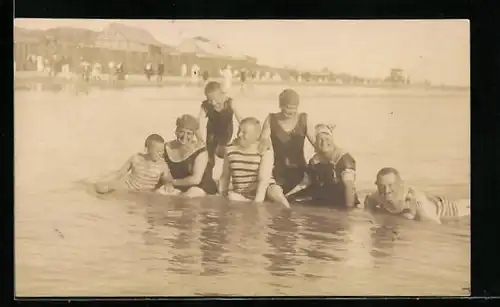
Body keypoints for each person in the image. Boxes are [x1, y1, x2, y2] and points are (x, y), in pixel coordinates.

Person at [219, 117, 290, 208]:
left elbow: (263, 180)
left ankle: (287, 210)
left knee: (275, 190)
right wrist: (221, 196)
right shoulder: (230, 150)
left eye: (244, 132)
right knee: (231, 196)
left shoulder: (264, 151)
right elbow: (225, 176)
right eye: (239, 131)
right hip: (241, 193)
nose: (239, 134)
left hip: (265, 190)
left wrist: (257, 205)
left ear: (256, 136)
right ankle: (248, 202)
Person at [259, 89, 317, 196]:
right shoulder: (271, 119)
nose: (291, 111)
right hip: (277, 172)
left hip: (300, 171)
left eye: (294, 108)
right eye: (287, 107)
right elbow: (263, 140)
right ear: (280, 105)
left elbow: (316, 142)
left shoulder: (304, 119)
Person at [287, 124, 360, 208]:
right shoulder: (314, 161)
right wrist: (287, 196)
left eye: (327, 139)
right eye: (320, 139)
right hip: (324, 200)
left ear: (332, 141)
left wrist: (349, 213)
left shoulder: (344, 159)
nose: (324, 142)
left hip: (342, 201)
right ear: (316, 143)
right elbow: (304, 183)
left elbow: (349, 187)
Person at [364, 167, 470, 224]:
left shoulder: (414, 199)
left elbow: (435, 225)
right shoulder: (377, 196)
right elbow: (369, 207)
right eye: (382, 186)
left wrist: (420, 215)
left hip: (449, 209)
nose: (386, 191)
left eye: (391, 186)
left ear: (400, 184)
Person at [94, 134, 173, 194]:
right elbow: (120, 173)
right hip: (129, 188)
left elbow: (166, 178)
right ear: (147, 149)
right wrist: (108, 183)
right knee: (103, 190)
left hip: (145, 193)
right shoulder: (136, 158)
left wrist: (168, 184)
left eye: (162, 151)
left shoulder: (162, 165)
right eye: (158, 151)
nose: (161, 153)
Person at [164, 114, 218, 197]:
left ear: (193, 135)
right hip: (177, 187)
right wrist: (167, 182)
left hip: (200, 188)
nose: (185, 136)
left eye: (189, 133)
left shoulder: (200, 151)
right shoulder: (167, 147)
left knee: (190, 194)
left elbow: (195, 180)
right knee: (160, 193)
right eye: (182, 131)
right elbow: (161, 169)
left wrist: (172, 182)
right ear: (176, 131)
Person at [197, 81, 242, 180]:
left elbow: (241, 120)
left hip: (226, 131)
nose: (213, 103)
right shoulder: (205, 105)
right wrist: (199, 138)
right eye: (209, 100)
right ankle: (207, 179)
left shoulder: (230, 103)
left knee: (221, 152)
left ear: (222, 94)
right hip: (211, 131)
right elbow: (197, 122)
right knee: (210, 156)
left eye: (216, 100)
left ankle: (228, 176)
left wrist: (242, 132)